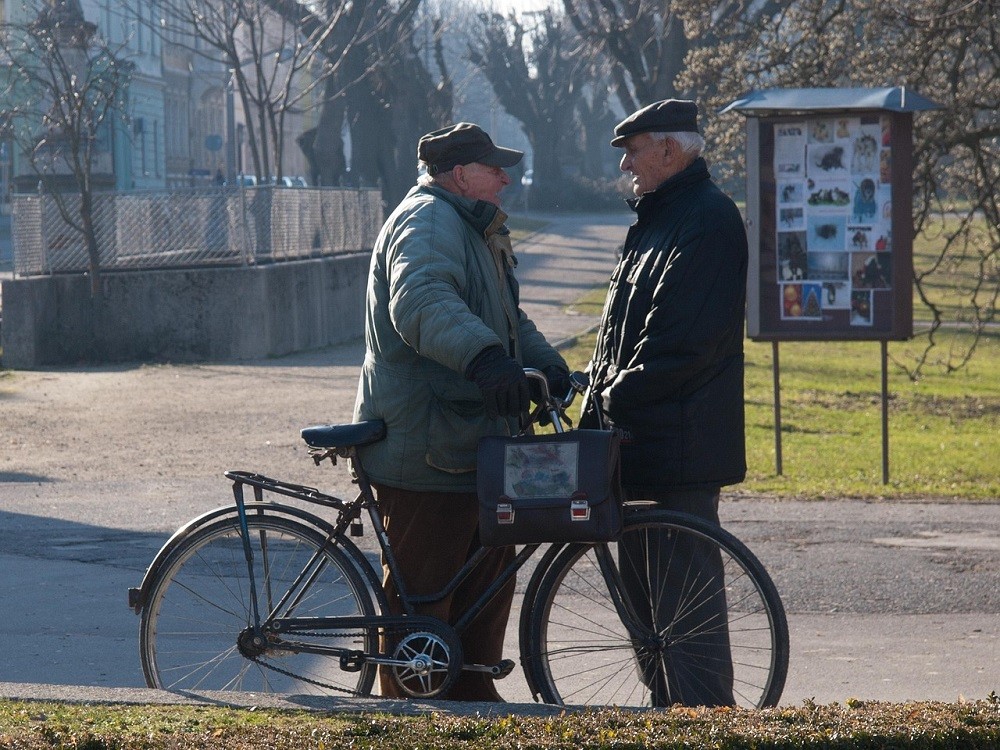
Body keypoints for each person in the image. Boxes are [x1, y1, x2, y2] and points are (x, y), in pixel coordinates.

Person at [353, 122, 570, 701]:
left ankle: (473, 690)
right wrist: (485, 361)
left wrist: (548, 367)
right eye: (494, 168)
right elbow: (421, 300)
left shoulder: (471, 227)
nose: (506, 177)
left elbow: (508, 319)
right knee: (425, 591)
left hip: (470, 441)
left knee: (486, 575)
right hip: (429, 445)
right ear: (458, 175)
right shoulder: (428, 221)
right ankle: (411, 710)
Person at [579, 99, 748, 707]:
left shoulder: (706, 220)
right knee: (649, 622)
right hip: (643, 445)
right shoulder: (659, 218)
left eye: (633, 149)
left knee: (685, 623)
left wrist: (610, 392)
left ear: (670, 151)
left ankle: (704, 727)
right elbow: (623, 331)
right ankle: (670, 720)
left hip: (681, 448)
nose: (625, 163)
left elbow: (682, 342)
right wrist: (595, 388)